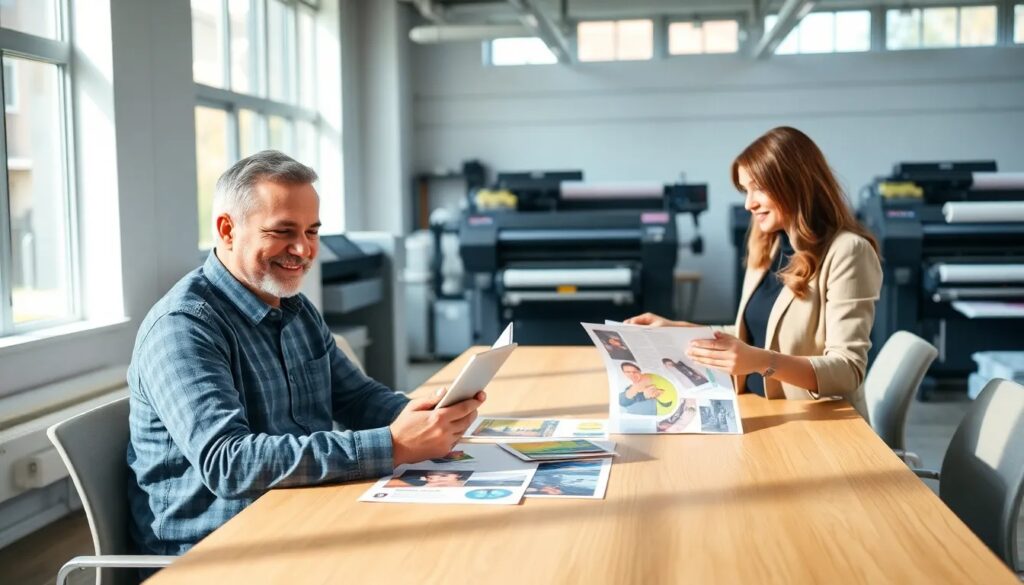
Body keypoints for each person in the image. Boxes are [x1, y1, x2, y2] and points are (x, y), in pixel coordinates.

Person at [127, 151, 485, 557]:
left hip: (300, 510)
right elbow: (230, 464)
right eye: (283, 231)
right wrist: (392, 445)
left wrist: (428, 416)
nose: (303, 249)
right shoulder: (183, 327)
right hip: (218, 550)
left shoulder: (295, 309)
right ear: (227, 230)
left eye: (312, 231)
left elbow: (356, 398)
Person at [628, 127, 882, 413]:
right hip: (755, 407)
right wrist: (674, 330)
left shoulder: (848, 251)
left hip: (817, 422)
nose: (749, 203)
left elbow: (847, 372)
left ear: (795, 183)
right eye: (745, 190)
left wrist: (762, 362)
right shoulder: (771, 244)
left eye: (758, 188)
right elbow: (751, 337)